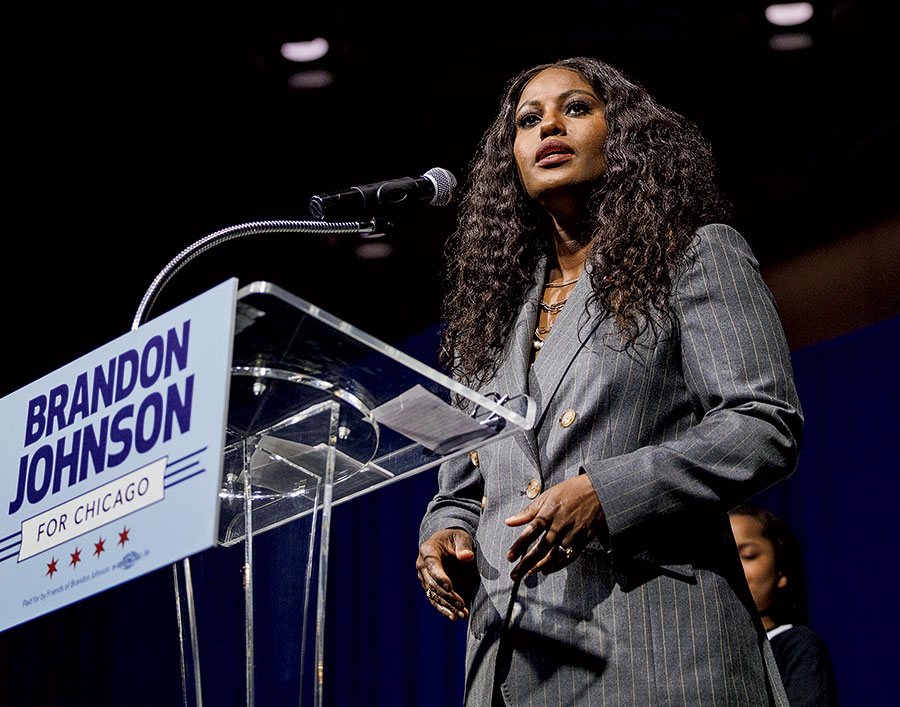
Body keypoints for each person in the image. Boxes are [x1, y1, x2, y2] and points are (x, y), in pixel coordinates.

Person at [415, 56, 803, 706]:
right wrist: (444, 533)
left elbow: (763, 422)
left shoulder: (694, 254)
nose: (549, 128)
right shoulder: (489, 318)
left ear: (622, 133)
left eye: (575, 108)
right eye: (528, 119)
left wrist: (609, 492)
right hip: (516, 666)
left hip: (660, 649)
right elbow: (464, 488)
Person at [729, 504, 839, 706]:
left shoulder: (797, 647)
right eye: (722, 559)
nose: (732, 568)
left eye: (747, 556)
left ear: (780, 570)